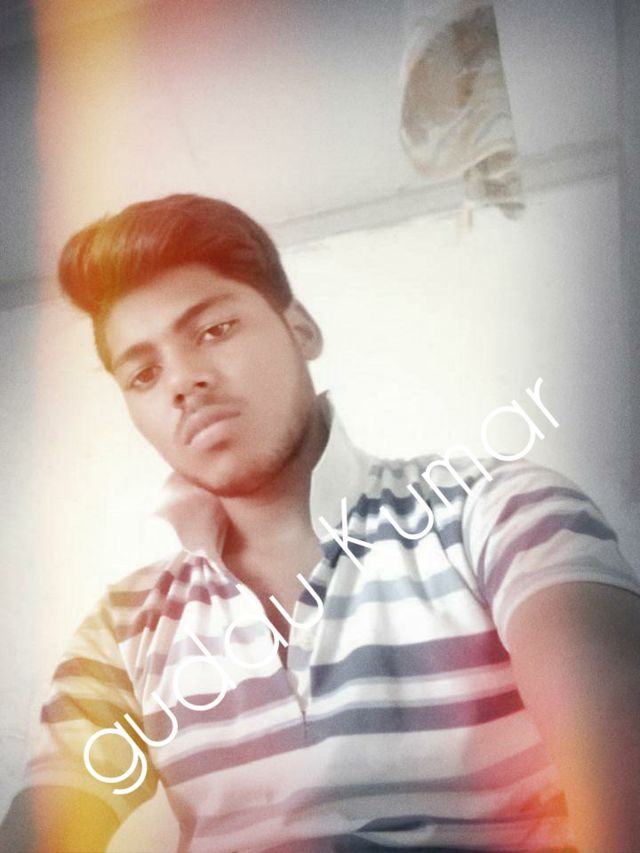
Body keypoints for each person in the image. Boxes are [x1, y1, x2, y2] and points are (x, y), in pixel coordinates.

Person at [2, 194, 640, 853]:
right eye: (143, 373)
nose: (183, 381)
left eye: (214, 330)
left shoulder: (493, 508)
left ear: (300, 329)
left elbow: (613, 723)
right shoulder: (125, 627)